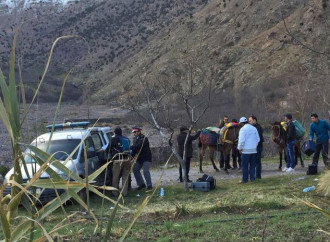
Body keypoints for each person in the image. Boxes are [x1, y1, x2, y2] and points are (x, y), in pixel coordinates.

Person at [107, 127, 131, 197]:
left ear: (115, 133)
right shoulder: (126, 139)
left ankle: (115, 193)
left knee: (115, 177)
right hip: (127, 160)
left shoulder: (114, 139)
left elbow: (107, 149)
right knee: (125, 177)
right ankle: (125, 193)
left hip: (118, 160)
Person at [237, 117, 260, 183]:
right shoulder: (254, 128)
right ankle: (252, 178)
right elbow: (258, 139)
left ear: (241, 123)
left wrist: (239, 148)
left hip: (245, 151)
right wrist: (254, 146)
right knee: (252, 165)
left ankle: (245, 180)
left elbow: (241, 141)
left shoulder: (242, 129)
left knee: (244, 166)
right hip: (253, 150)